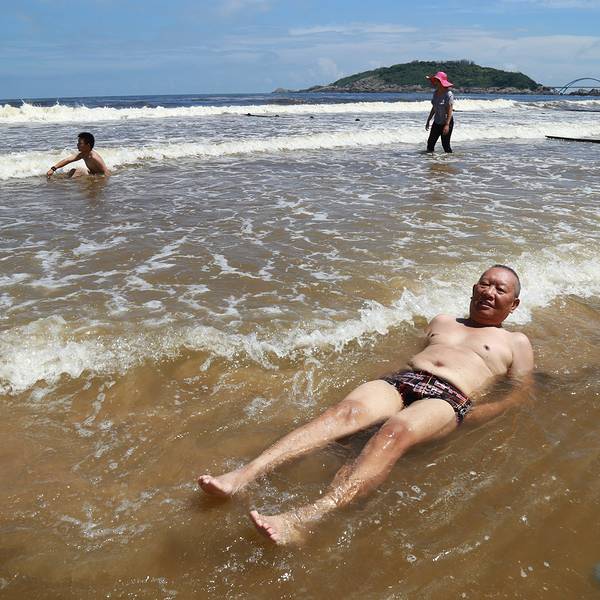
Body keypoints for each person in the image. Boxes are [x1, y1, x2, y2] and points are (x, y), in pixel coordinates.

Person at [199, 265, 534, 545]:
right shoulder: (443, 320)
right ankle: (243, 476)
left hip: (449, 397)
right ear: (474, 288)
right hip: (403, 379)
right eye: (485, 283)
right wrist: (379, 381)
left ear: (514, 304)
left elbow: (519, 392)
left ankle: (304, 519)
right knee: (343, 414)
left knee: (394, 432)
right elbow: (407, 355)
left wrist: (479, 413)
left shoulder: (515, 342)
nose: (489, 292)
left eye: (500, 289)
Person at [46, 132, 110, 178]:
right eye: (78, 143)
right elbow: (67, 160)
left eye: (80, 143)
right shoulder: (83, 154)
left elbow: (106, 172)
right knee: (72, 171)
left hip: (98, 177)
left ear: (88, 145)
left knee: (78, 171)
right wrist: (53, 169)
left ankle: (67, 184)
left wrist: (102, 184)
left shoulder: (94, 157)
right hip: (92, 174)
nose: (77, 145)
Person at [425, 71, 455, 153]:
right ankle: (431, 159)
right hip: (437, 122)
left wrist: (447, 125)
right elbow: (434, 108)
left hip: (447, 122)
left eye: (436, 81)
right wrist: (428, 120)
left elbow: (449, 111)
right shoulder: (435, 93)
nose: (434, 82)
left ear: (441, 82)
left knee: (445, 145)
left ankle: (449, 159)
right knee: (430, 143)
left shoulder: (448, 94)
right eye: (434, 80)